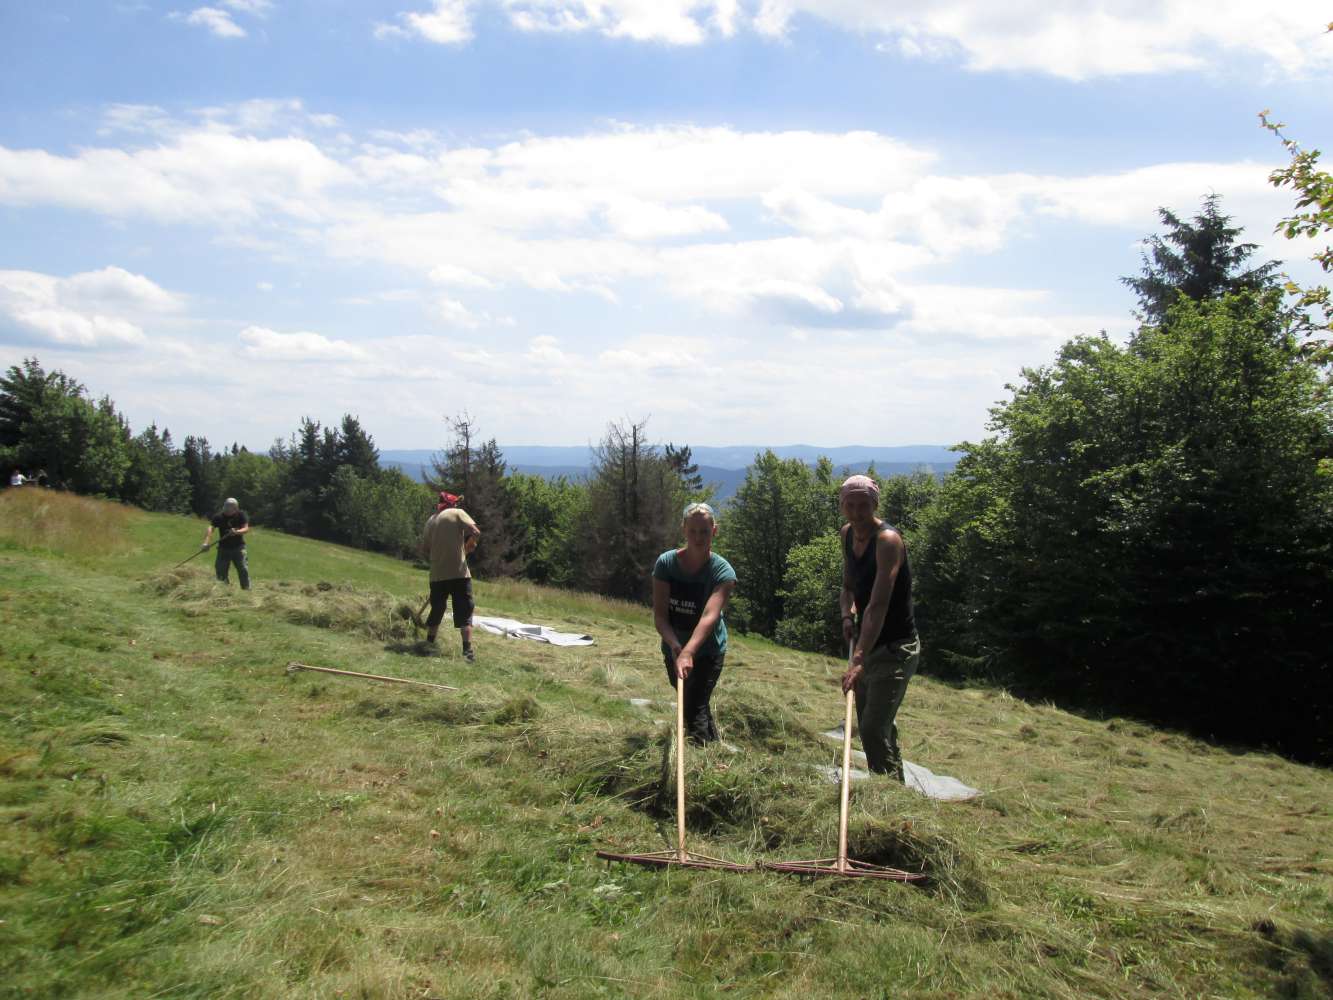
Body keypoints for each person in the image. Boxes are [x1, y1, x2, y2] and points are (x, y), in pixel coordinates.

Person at [838, 474, 920, 782]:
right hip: (867, 642)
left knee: (872, 729)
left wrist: (858, 659)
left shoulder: (887, 541)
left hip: (895, 647)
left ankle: (886, 799)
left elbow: (878, 604)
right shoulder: (847, 534)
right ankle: (892, 786)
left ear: (875, 504)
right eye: (850, 505)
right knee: (874, 724)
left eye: (864, 506)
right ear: (842, 506)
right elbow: (848, 586)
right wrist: (847, 616)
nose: (857, 513)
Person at [652, 502, 737, 745]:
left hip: (708, 651)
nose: (698, 537)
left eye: (704, 531)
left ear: (714, 531)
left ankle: (699, 757)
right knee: (689, 699)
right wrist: (676, 648)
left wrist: (689, 651)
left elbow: (710, 616)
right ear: (684, 530)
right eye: (693, 531)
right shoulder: (666, 564)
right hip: (673, 647)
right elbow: (660, 616)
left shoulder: (723, 572)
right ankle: (715, 747)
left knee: (694, 705)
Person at [421, 492, 481, 661]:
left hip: (437, 575)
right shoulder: (457, 513)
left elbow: (425, 549)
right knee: (465, 611)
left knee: (437, 609)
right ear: (452, 504)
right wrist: (469, 546)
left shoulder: (430, 521)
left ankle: (429, 645)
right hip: (459, 573)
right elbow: (475, 532)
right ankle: (467, 651)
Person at [203, 497, 251, 590]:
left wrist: (236, 532)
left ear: (235, 508)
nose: (227, 508)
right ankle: (225, 591)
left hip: (238, 548)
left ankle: (246, 590)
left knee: (243, 569)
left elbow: (246, 528)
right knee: (220, 571)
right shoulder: (218, 517)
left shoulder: (241, 515)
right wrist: (206, 543)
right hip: (223, 549)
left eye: (229, 507)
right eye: (226, 506)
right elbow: (211, 529)